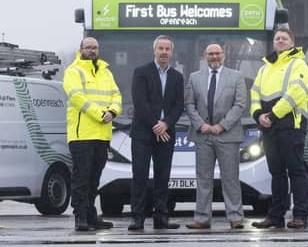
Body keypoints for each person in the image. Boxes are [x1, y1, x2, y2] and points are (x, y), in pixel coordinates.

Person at [250, 27, 308, 229]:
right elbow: (254, 94)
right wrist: (259, 115)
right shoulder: (264, 68)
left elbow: (297, 92)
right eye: (277, 38)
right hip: (270, 128)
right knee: (276, 174)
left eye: (284, 38)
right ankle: (275, 216)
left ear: (292, 42)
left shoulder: (298, 64)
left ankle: (300, 216)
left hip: (291, 127)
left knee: (296, 171)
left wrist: (273, 115)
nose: (280, 41)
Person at [184, 43, 246, 230]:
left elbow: (240, 104)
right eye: (210, 54)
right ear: (205, 56)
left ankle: (235, 217)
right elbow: (189, 105)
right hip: (203, 136)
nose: (214, 57)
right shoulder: (194, 78)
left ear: (224, 55)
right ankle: (202, 219)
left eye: (217, 53)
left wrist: (222, 125)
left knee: (231, 178)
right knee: (203, 178)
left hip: (227, 135)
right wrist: (201, 125)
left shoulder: (237, 77)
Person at [63, 37, 122, 231]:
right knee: (81, 178)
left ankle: (90, 216)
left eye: (95, 48)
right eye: (88, 47)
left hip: (102, 135)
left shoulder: (106, 72)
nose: (92, 50)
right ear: (81, 49)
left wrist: (112, 112)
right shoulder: (73, 71)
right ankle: (80, 216)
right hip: (81, 135)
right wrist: (100, 114)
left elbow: (117, 96)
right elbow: (77, 97)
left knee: (94, 179)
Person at [128, 35, 184, 231]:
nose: (164, 52)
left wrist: (166, 124)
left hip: (166, 134)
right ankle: (137, 218)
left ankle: (161, 218)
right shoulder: (141, 72)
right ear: (154, 50)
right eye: (160, 48)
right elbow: (140, 103)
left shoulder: (177, 77)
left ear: (171, 52)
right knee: (140, 176)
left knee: (163, 176)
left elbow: (179, 106)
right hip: (143, 133)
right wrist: (155, 124)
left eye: (167, 49)